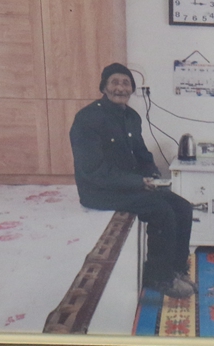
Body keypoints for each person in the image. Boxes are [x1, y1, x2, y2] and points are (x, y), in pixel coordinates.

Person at [69, 62, 196, 299]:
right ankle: (158, 276)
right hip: (99, 191)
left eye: (126, 83)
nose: (120, 88)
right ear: (103, 87)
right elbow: (93, 170)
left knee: (182, 207)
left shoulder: (132, 117)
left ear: (132, 89)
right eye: (114, 82)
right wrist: (137, 183)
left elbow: (141, 154)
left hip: (130, 185)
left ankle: (177, 270)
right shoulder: (87, 118)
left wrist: (153, 176)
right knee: (162, 210)